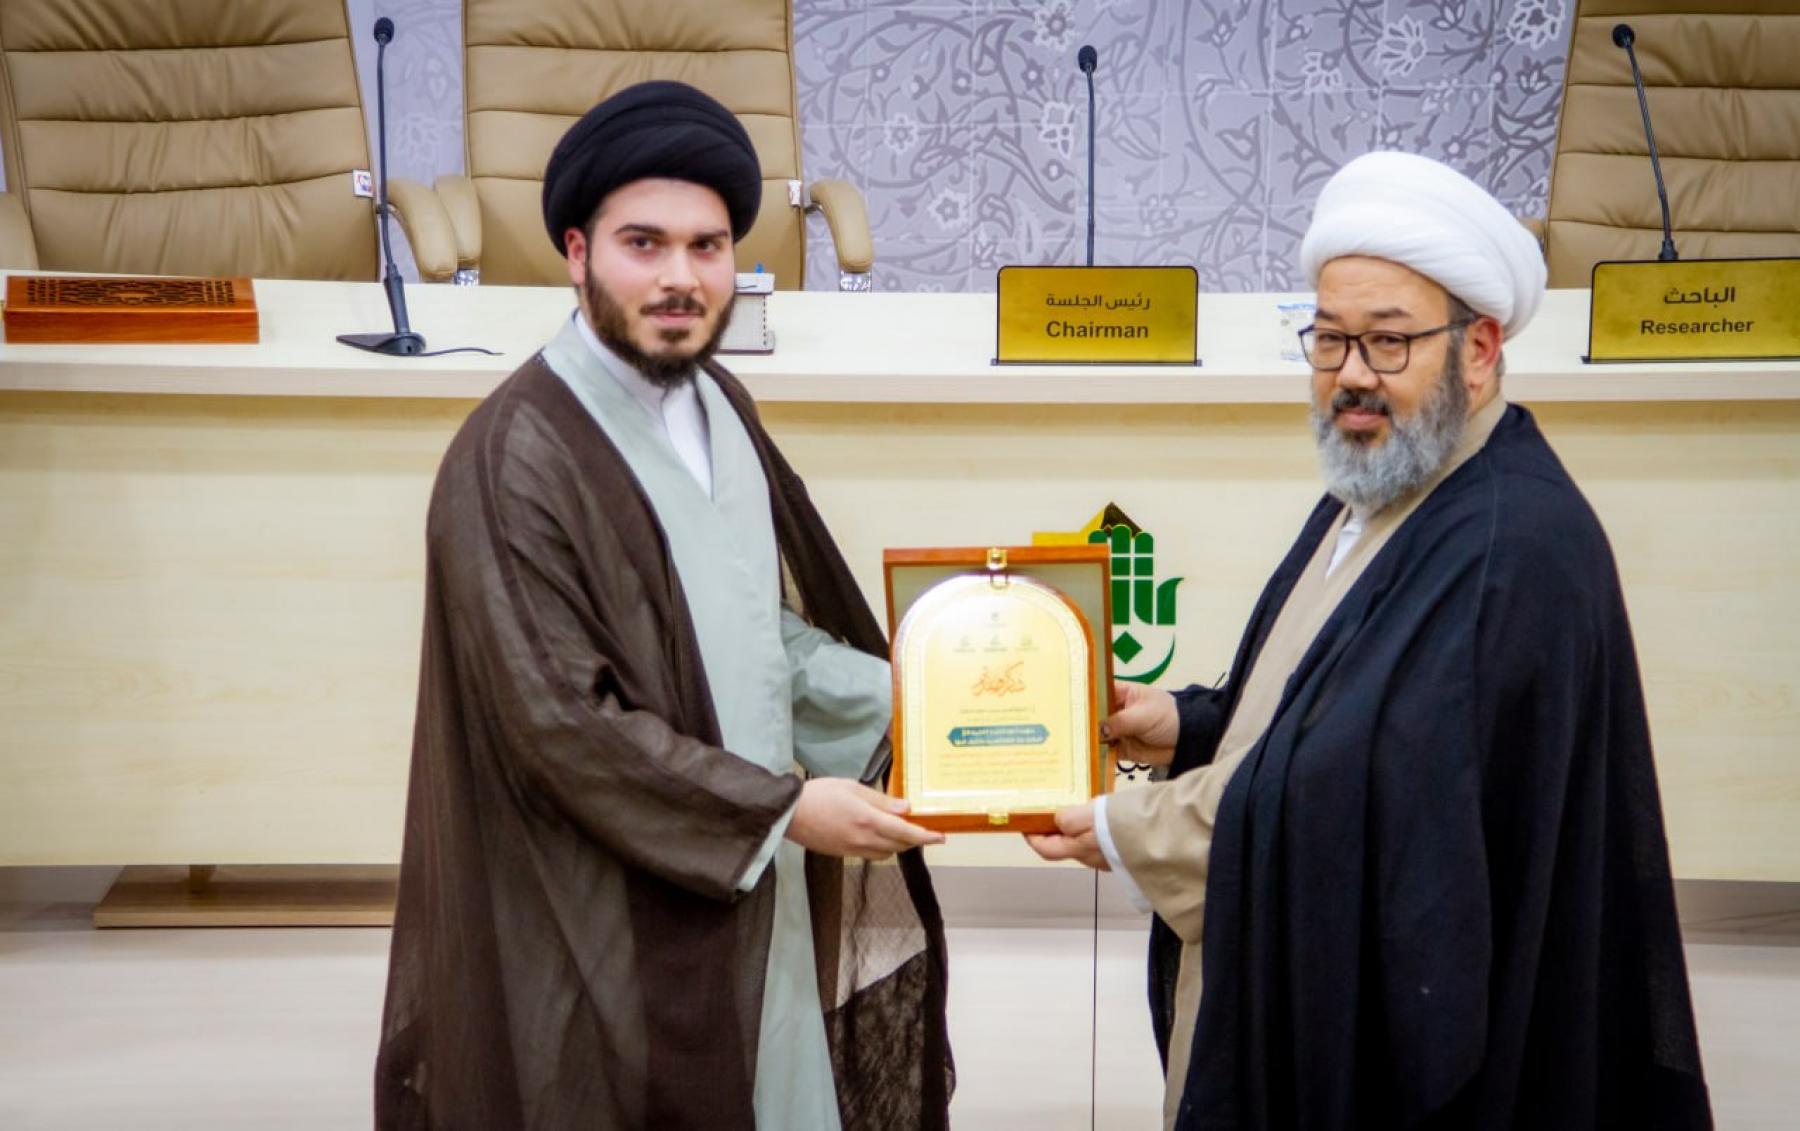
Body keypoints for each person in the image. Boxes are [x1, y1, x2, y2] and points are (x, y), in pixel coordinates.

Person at [1028, 151, 1712, 1129]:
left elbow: (1373, 802)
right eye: (1330, 339)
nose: (1352, 374)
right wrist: (1187, 722)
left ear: (1478, 350)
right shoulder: (1390, 482)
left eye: (1390, 342)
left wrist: (1127, 830)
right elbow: (1327, 705)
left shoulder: (1512, 548)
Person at [374, 81, 952, 1131]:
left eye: (708, 246)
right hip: (601, 909)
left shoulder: (718, 400)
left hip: (749, 876)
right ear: (576, 252)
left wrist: (940, 701)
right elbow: (562, 725)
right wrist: (780, 811)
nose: (681, 277)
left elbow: (760, 635)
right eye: (644, 243)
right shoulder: (512, 459)